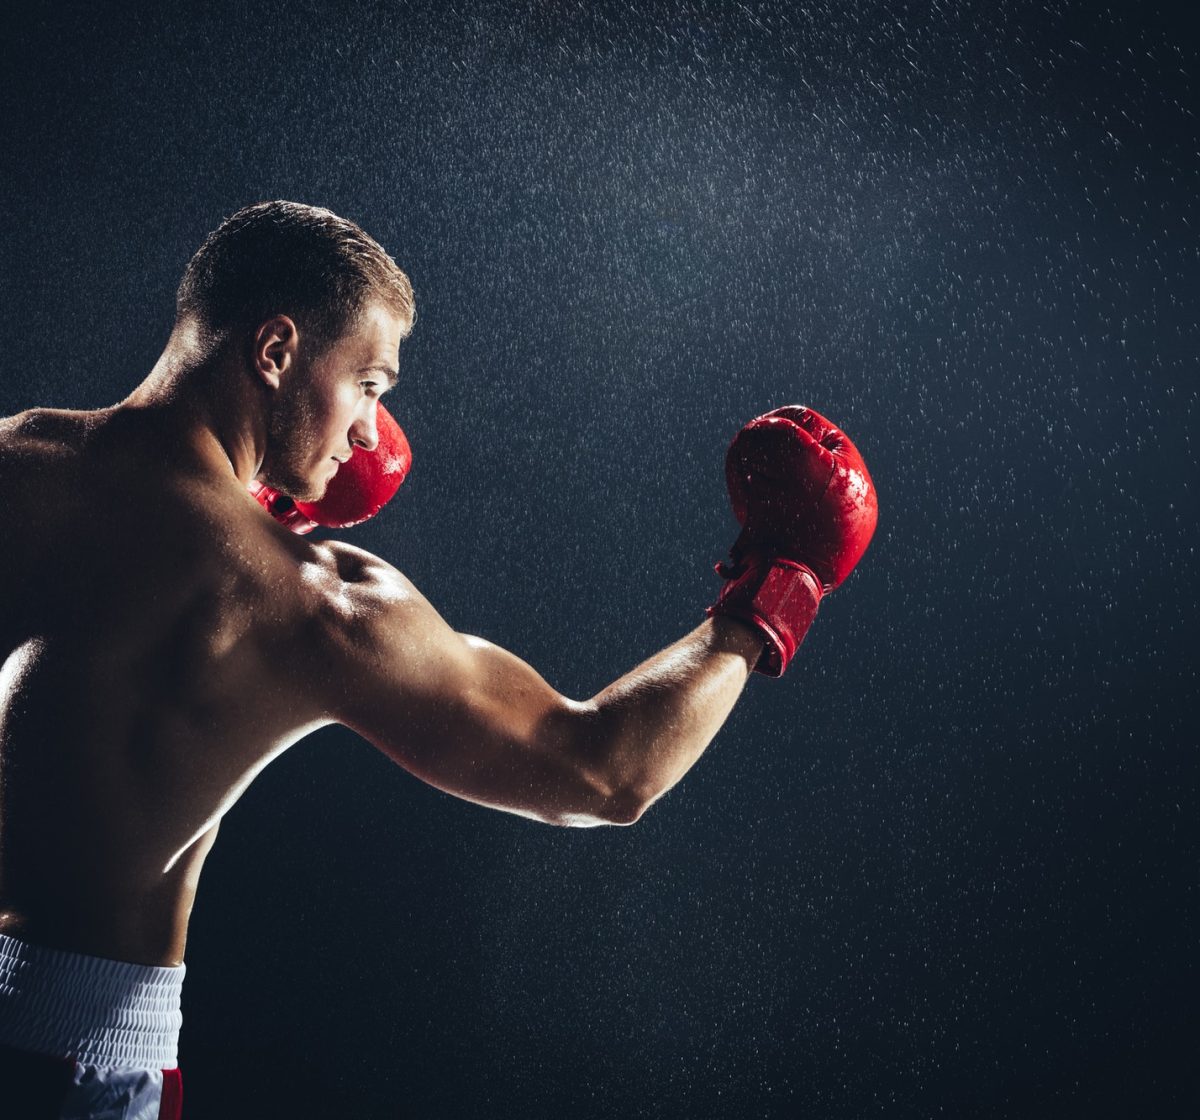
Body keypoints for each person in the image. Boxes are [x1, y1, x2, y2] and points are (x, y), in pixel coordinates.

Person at [0, 200, 878, 1119]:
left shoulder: (19, 452)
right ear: (275, 352)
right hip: (78, 1069)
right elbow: (606, 772)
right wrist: (781, 584)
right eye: (370, 386)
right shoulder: (310, 600)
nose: (370, 436)